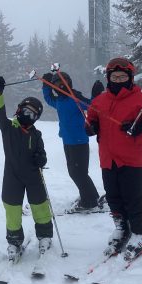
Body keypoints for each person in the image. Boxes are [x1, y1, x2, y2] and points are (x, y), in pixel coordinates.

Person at [85, 58, 142, 260]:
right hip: (108, 159)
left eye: (123, 77)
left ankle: (140, 232)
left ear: (130, 78)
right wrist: (91, 127)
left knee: (134, 199)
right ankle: (122, 228)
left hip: (132, 160)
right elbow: (91, 120)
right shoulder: (100, 101)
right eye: (115, 77)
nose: (119, 80)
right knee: (113, 197)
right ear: (109, 78)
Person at [0, 75, 53, 260]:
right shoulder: (8, 128)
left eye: (34, 115)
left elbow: (42, 155)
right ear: (19, 110)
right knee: (12, 209)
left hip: (34, 176)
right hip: (12, 176)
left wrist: (40, 158)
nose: (29, 116)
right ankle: (14, 241)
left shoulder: (37, 134)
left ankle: (45, 236)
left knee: (40, 207)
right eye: (27, 111)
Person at [40, 70, 105, 213]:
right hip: (67, 142)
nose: (61, 86)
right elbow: (48, 98)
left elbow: (93, 106)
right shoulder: (58, 101)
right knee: (75, 172)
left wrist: (96, 95)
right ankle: (90, 196)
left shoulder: (75, 99)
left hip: (79, 141)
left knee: (78, 173)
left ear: (69, 83)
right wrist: (46, 85)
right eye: (57, 84)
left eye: (64, 83)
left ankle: (90, 202)